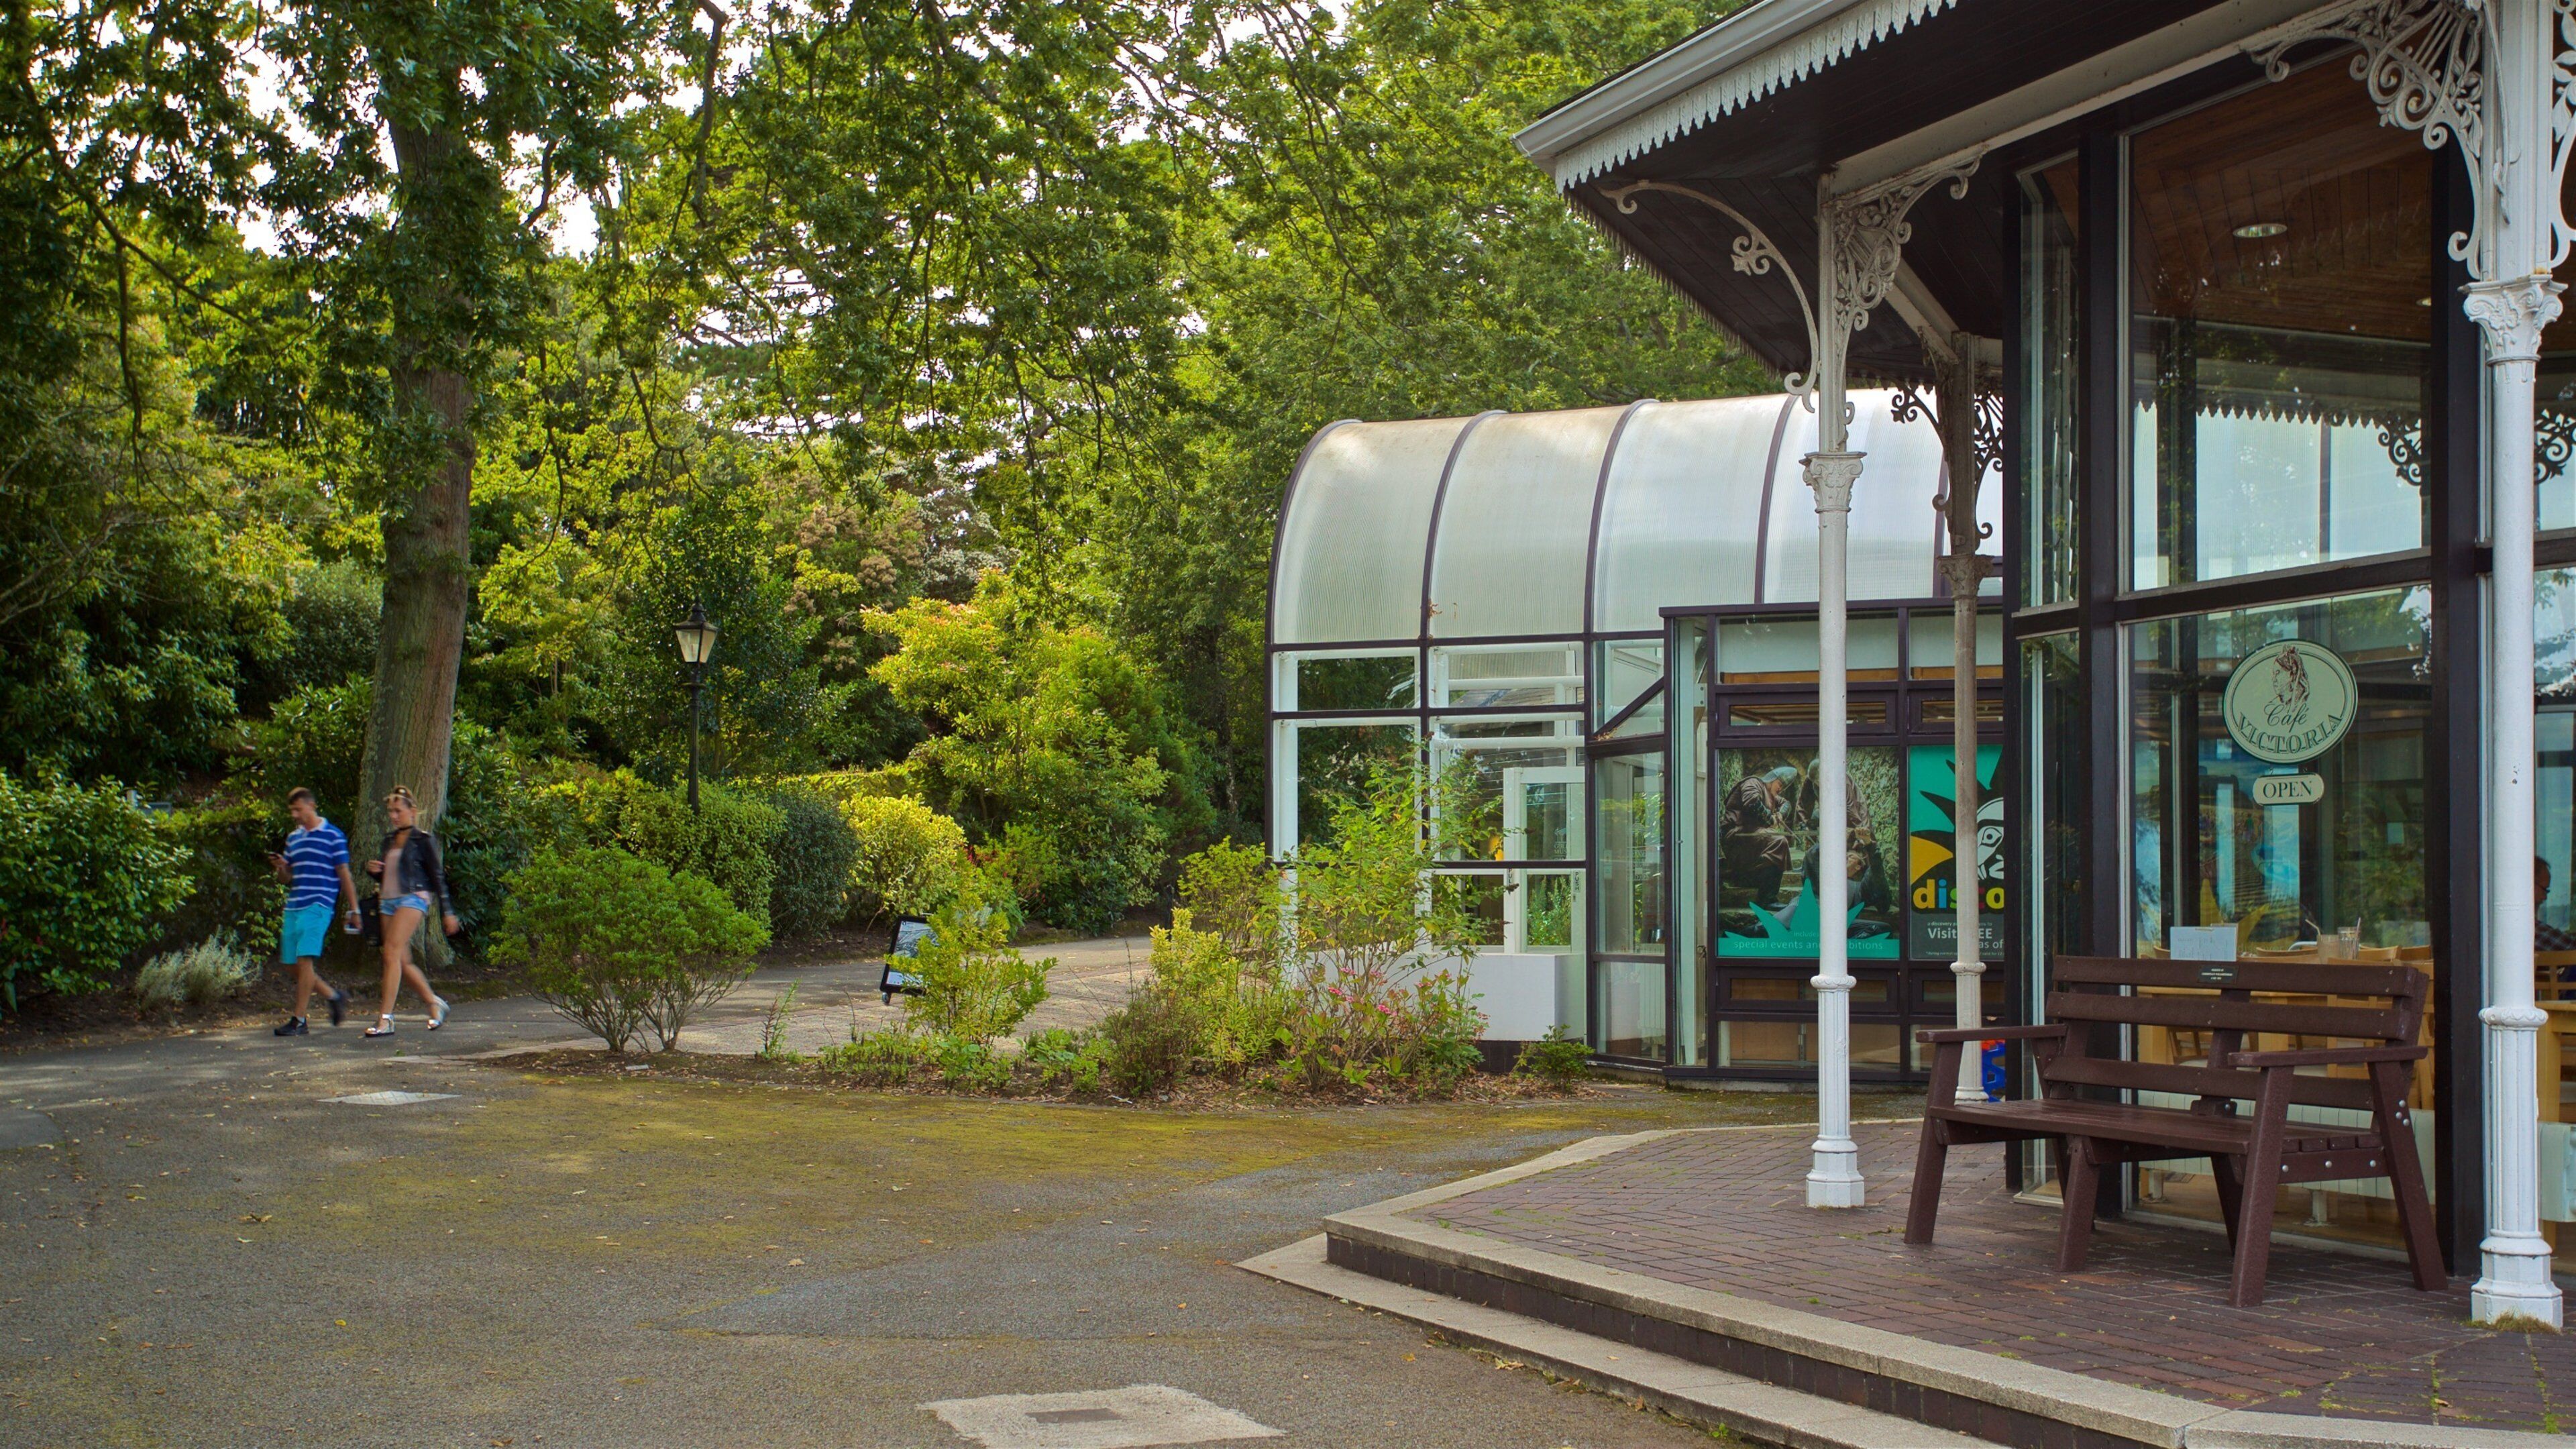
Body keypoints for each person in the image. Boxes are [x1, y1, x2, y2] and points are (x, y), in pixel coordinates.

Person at [362, 786, 460, 1039]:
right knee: (402, 961)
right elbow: (390, 874)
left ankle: (386, 1019)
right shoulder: (389, 840)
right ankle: (434, 1003)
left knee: (391, 952)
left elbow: (437, 877)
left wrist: (447, 912)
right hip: (388, 901)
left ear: (412, 811)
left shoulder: (423, 840)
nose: (393, 816)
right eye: (390, 812)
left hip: (414, 898)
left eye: (398, 811)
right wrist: (374, 870)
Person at [267, 787, 360, 1036]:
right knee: (290, 964)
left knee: (304, 960)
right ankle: (334, 996)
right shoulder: (294, 839)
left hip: (319, 905)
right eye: (292, 811)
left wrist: (355, 908)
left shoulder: (333, 836)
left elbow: (344, 875)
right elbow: (286, 879)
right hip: (295, 905)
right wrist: (281, 867)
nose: (295, 814)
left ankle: (299, 1020)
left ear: (311, 805)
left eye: (298, 809)